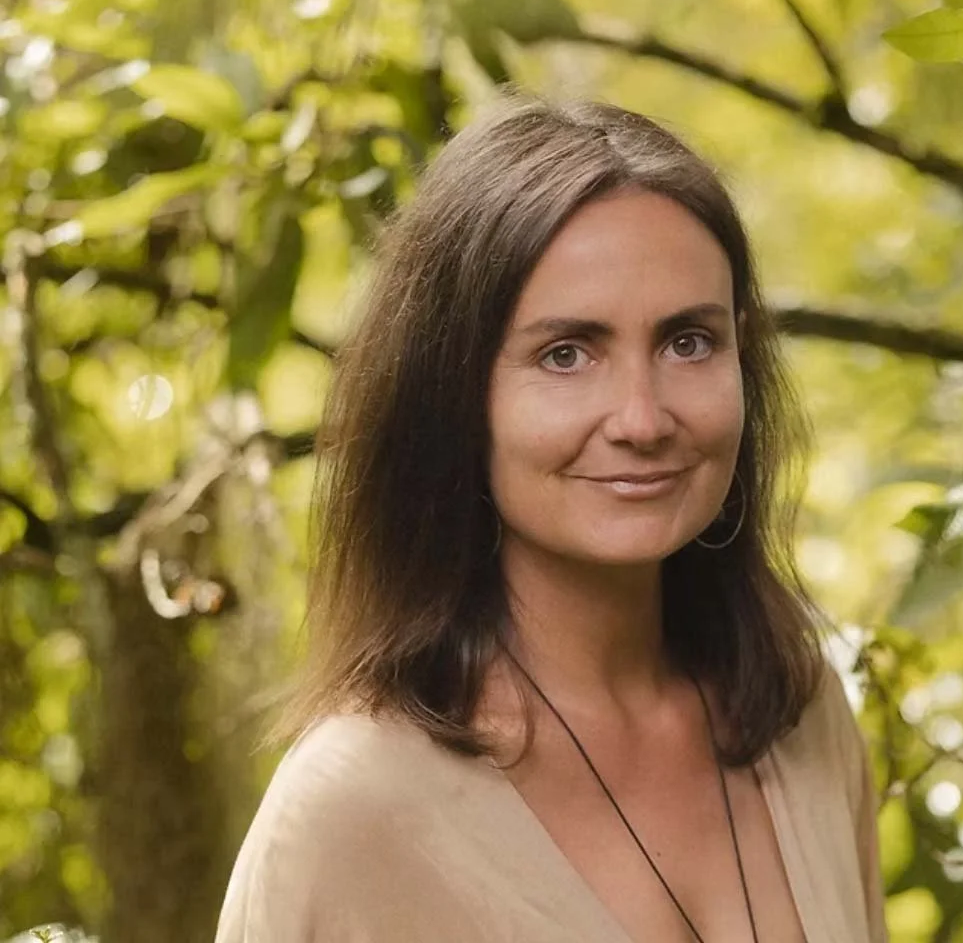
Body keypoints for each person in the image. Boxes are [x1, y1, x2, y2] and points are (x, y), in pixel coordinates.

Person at [214, 94, 888, 943]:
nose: (641, 419)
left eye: (688, 342)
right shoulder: (350, 808)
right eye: (565, 354)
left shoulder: (804, 718)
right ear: (453, 395)